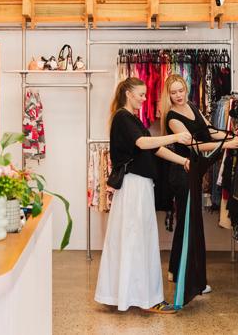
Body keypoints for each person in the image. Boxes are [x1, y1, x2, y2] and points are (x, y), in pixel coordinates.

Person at [95, 77, 192, 314]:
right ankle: (146, 298)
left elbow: (155, 149)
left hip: (137, 186)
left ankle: (125, 294)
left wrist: (183, 160)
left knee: (134, 239)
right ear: (128, 94)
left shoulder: (131, 119)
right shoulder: (122, 118)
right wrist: (175, 137)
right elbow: (142, 143)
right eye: (141, 94)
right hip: (134, 187)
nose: (145, 99)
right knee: (138, 239)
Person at [160, 74, 238, 308]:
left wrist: (228, 135)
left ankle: (176, 271)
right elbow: (194, 145)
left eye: (181, 90)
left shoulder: (192, 107)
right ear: (168, 95)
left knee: (187, 223)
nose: (178, 95)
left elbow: (208, 131)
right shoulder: (172, 117)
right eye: (173, 92)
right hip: (182, 173)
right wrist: (225, 144)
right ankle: (190, 279)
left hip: (193, 172)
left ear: (186, 89)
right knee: (189, 224)